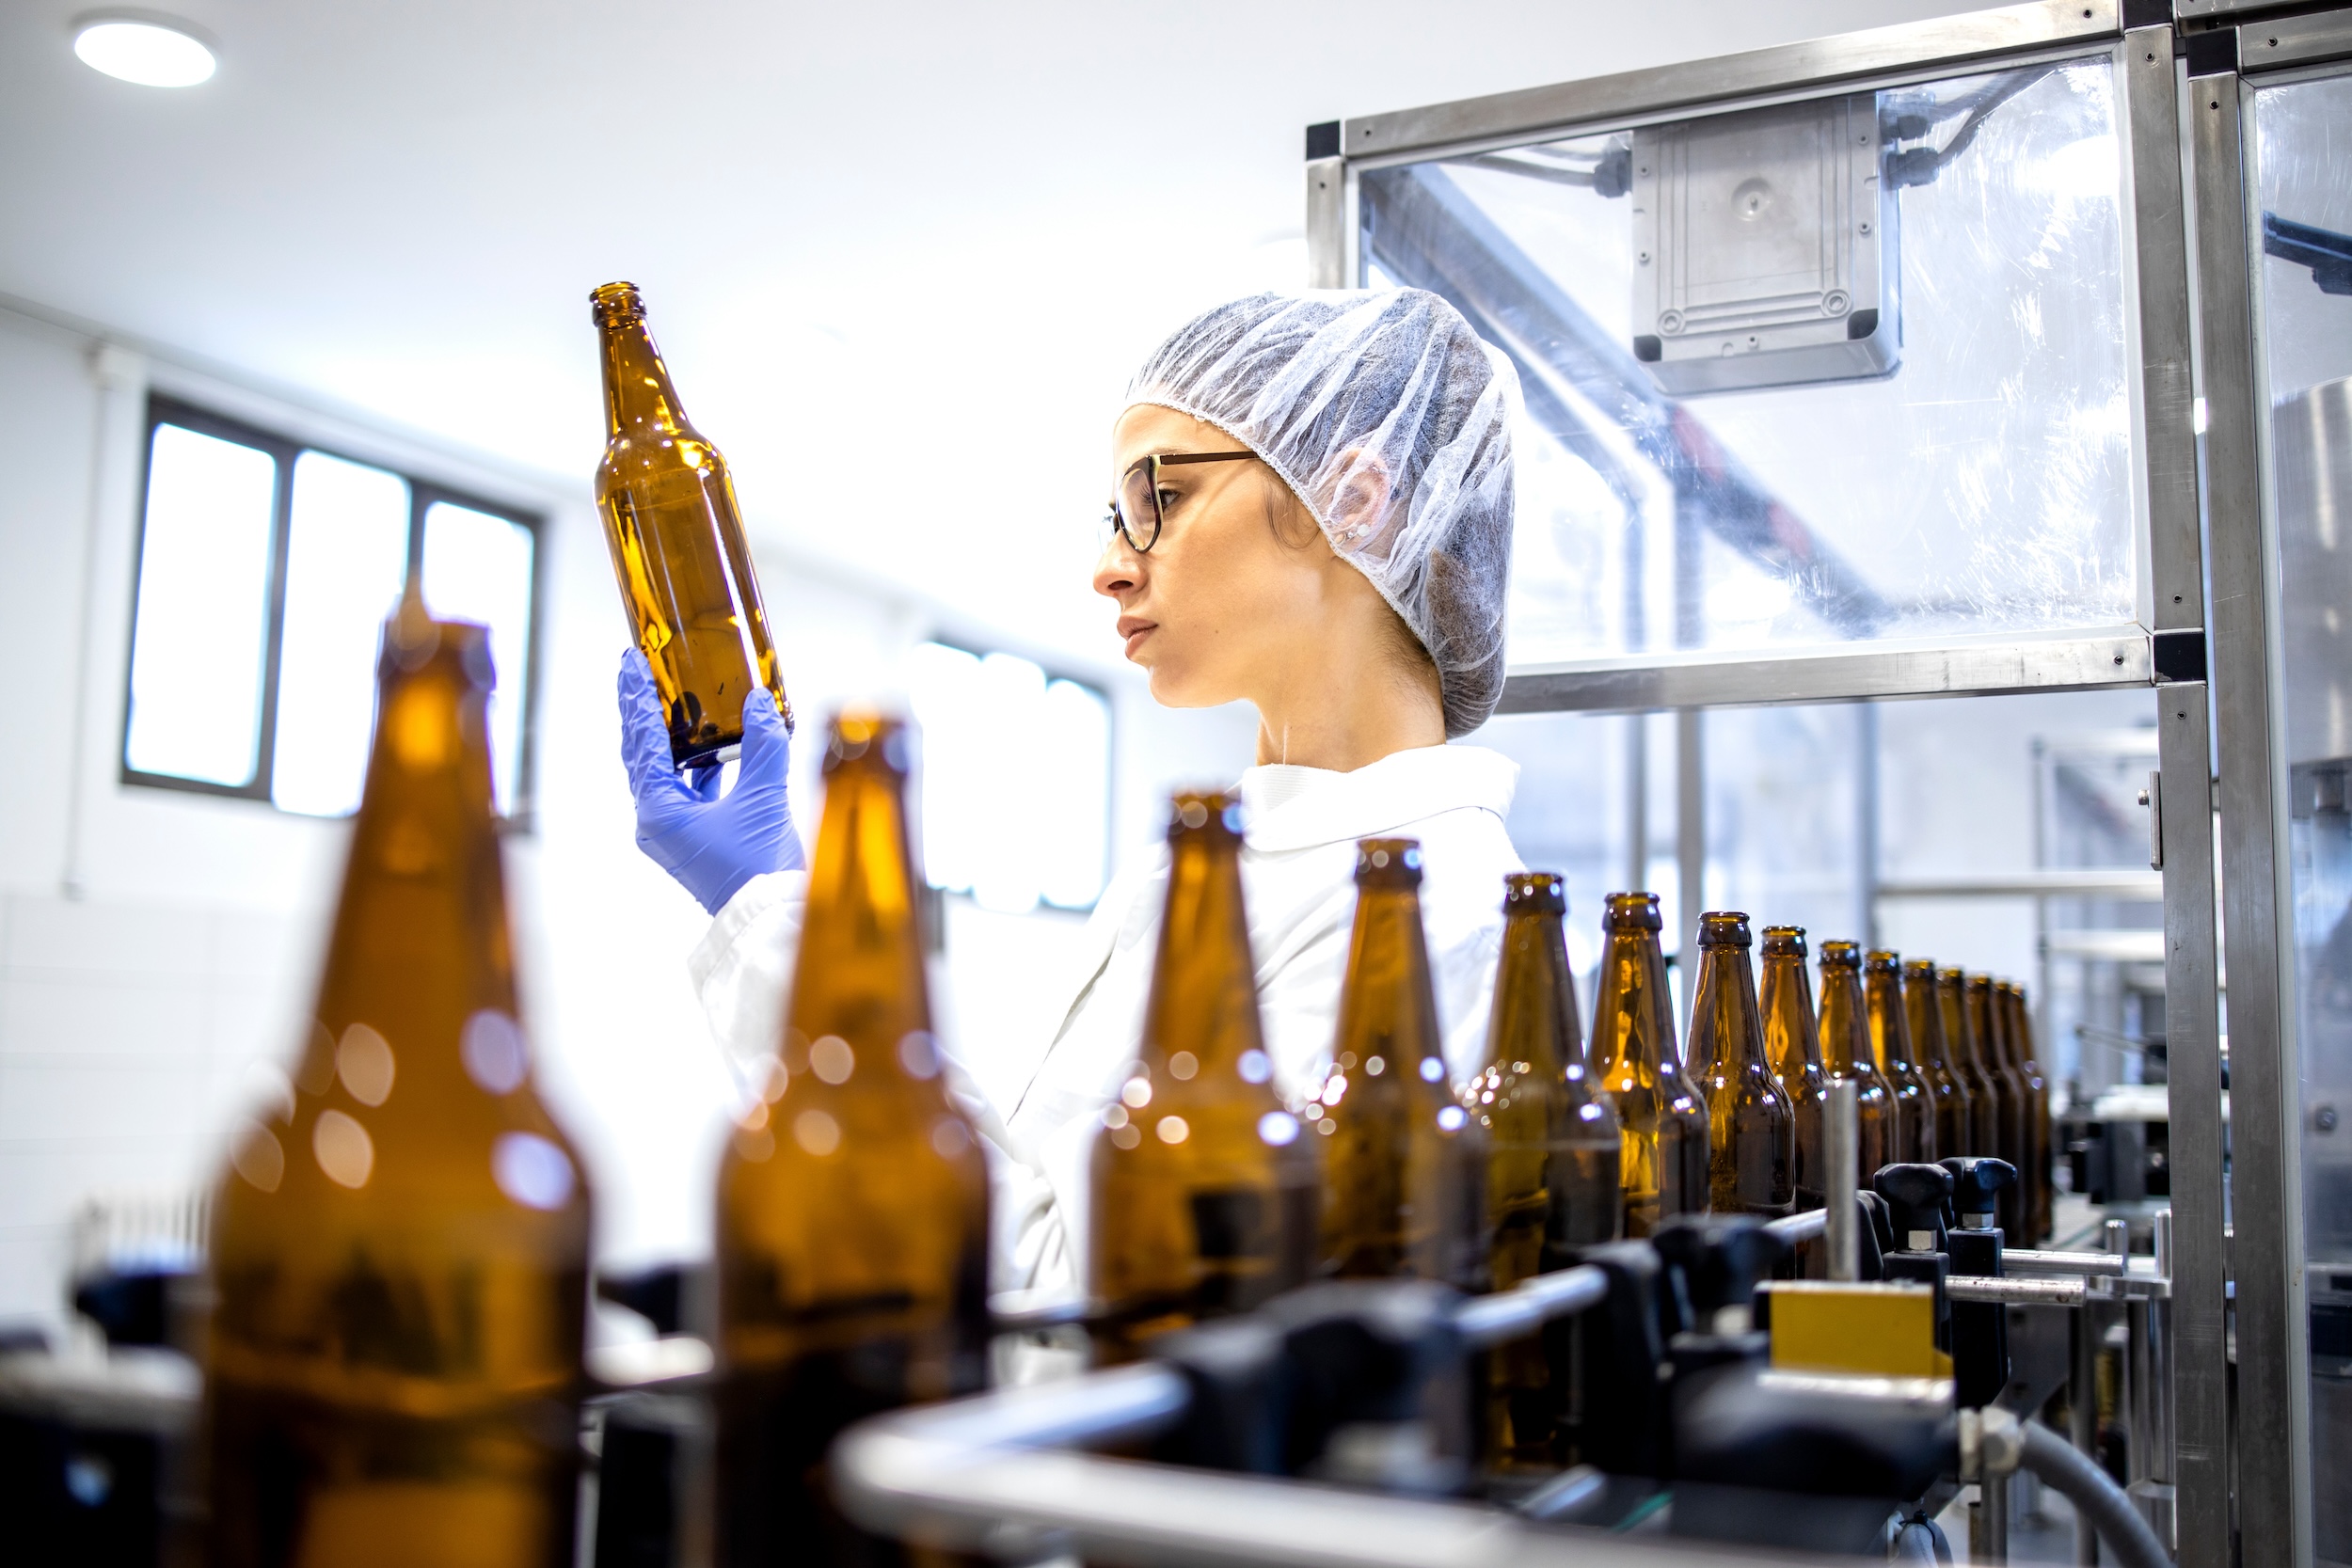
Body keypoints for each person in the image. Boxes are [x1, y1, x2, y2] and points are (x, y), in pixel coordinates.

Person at [619, 288, 1528, 1299]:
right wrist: (785, 906)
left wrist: (778, 927)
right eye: (1115, 516)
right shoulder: (1234, 859)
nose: (1107, 567)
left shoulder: (1434, 903)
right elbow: (1031, 1213)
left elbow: (1078, 1310)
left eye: (1160, 501)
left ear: (1353, 499)